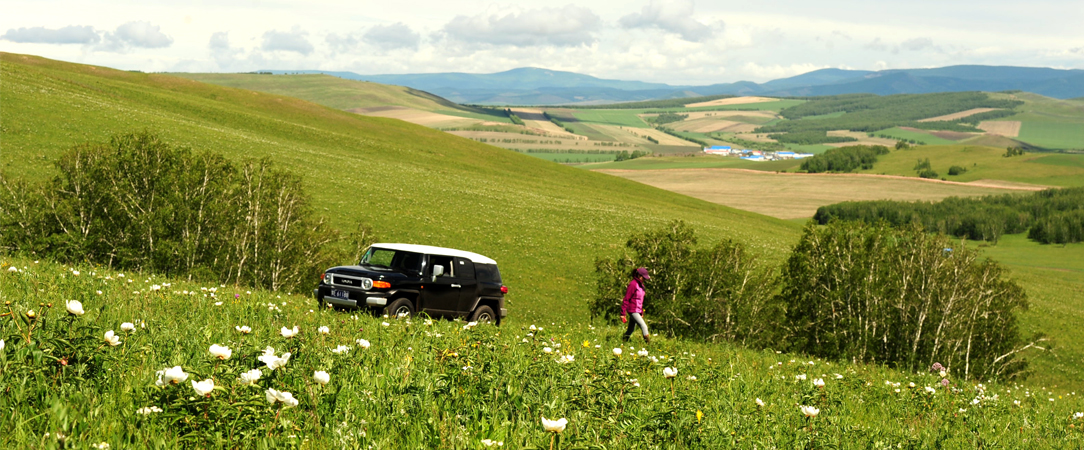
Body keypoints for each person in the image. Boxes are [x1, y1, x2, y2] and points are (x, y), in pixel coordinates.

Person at [620, 267, 651, 343]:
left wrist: (641, 312)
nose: (644, 280)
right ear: (639, 276)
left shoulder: (641, 286)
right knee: (644, 327)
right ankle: (649, 346)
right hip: (633, 310)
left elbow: (640, 300)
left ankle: (623, 341)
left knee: (630, 329)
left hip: (637, 310)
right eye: (644, 278)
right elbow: (626, 299)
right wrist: (623, 313)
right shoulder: (633, 284)